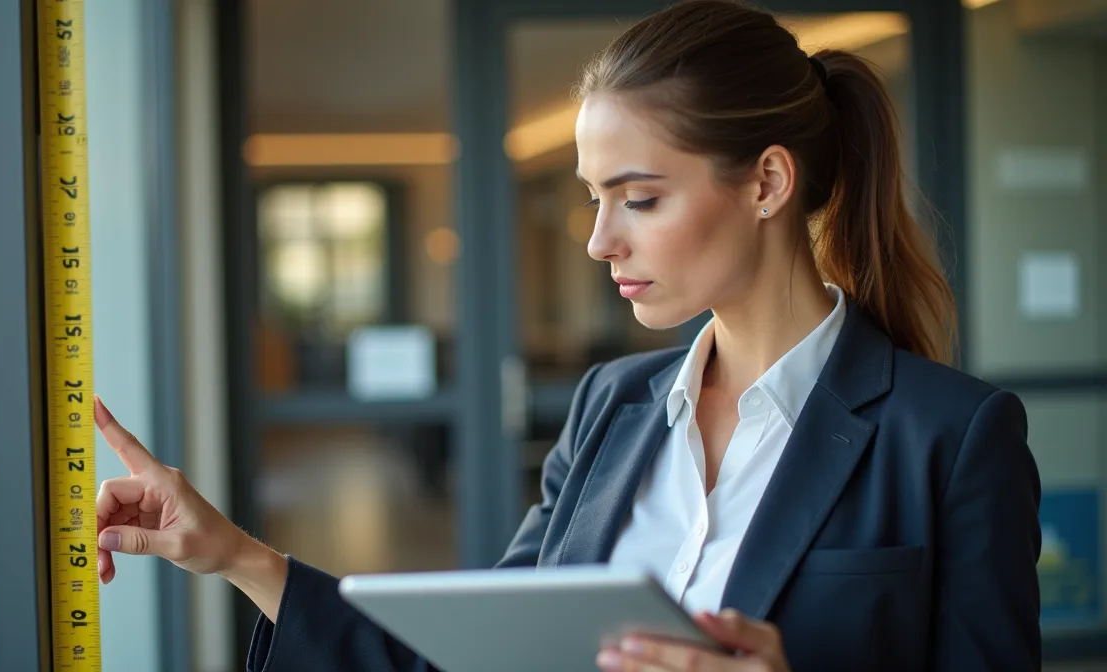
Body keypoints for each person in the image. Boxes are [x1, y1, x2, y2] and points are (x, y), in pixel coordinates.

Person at [92, 1, 1042, 669]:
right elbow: (479, 655)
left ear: (766, 184)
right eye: (595, 199)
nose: (598, 239)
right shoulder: (612, 406)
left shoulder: (952, 439)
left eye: (639, 198)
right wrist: (235, 556)